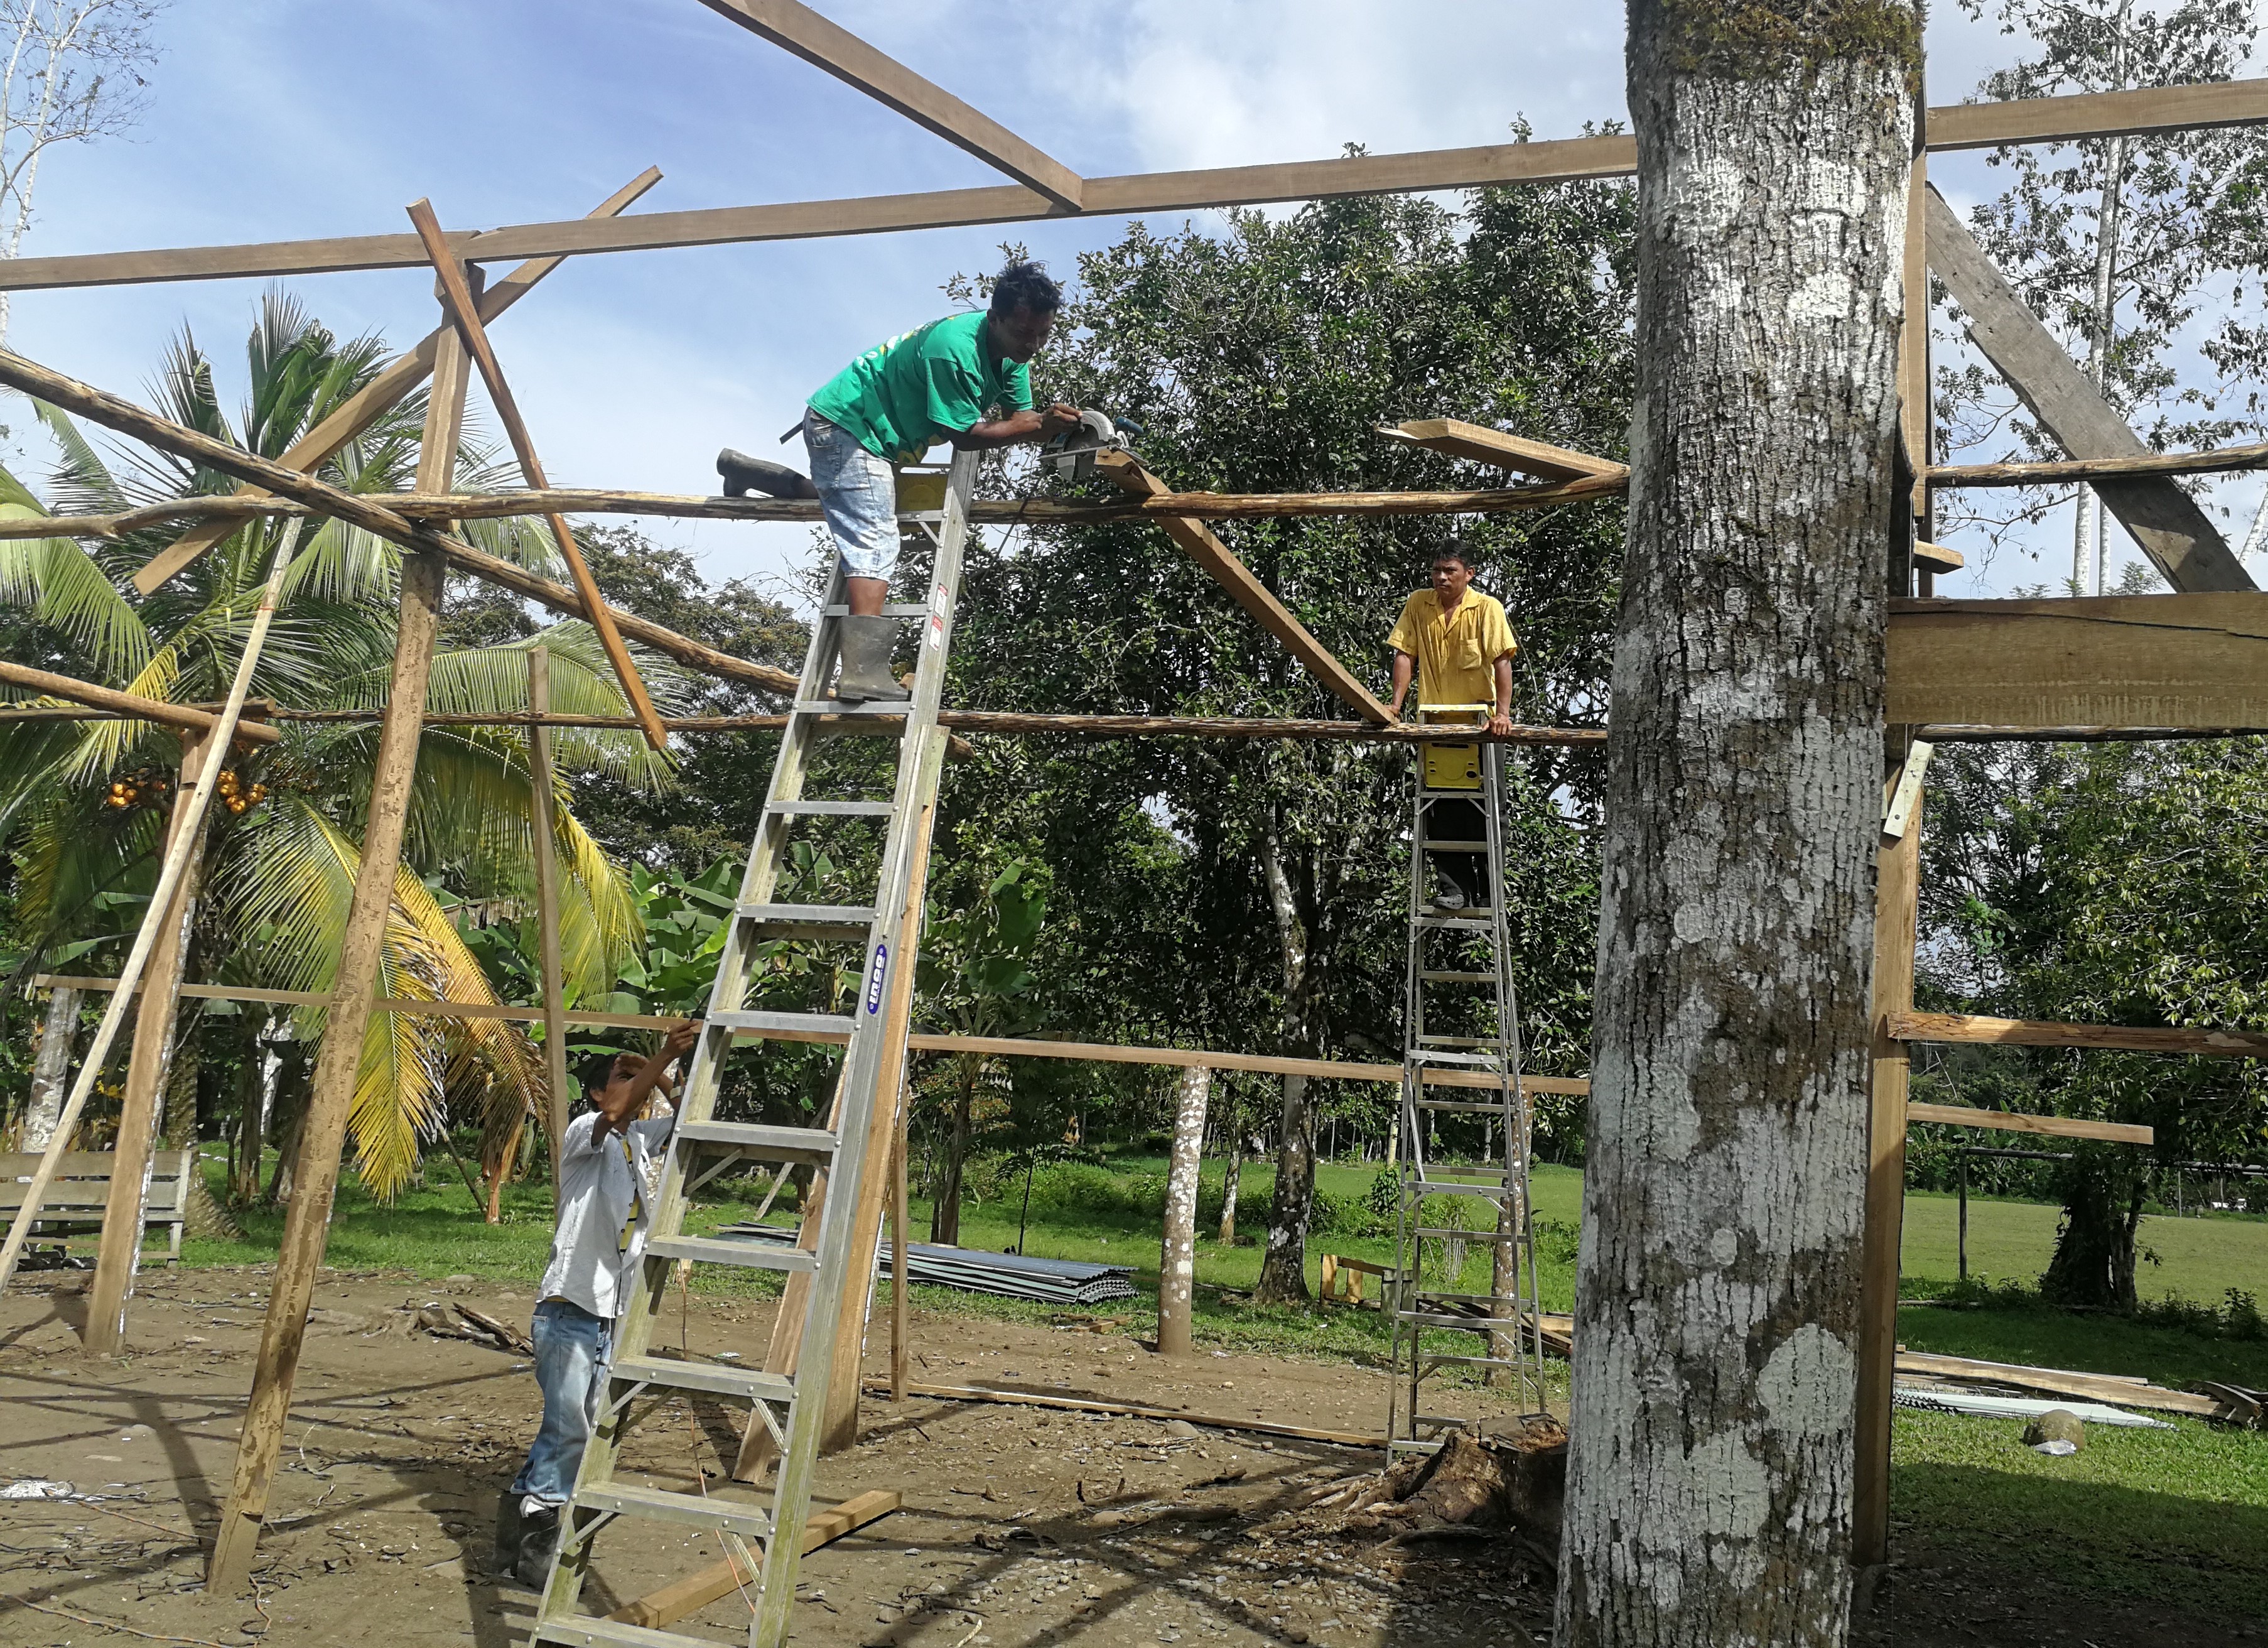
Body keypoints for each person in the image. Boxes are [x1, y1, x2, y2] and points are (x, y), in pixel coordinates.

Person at [715, 259, 1086, 703]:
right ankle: (861, 673)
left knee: (846, 498)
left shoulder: (1011, 354)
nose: (1035, 345)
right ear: (996, 317)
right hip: (849, 425)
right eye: (1026, 334)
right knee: (873, 535)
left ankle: (743, 469)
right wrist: (1038, 427)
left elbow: (1021, 419)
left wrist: (1057, 429)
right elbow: (965, 436)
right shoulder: (954, 350)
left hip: (877, 435)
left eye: (1044, 334)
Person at [497, 1019, 701, 1588]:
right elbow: (614, 1113)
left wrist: (661, 1076)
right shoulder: (586, 1130)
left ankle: (515, 1531)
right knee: (572, 1430)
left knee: (565, 1424)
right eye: (621, 1078)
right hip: (570, 1306)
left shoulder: (640, 1141)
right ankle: (542, 1543)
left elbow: (691, 1124)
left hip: (610, 1312)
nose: (635, 1084)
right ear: (595, 1091)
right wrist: (661, 1054)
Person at [1385, 543, 1518, 911]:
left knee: (1491, 807)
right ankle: (1454, 890)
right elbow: (1404, 655)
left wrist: (1502, 714)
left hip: (1481, 725)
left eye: (1450, 571)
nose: (1441, 578)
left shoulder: (1487, 608)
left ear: (1469, 574)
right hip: (1436, 722)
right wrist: (1395, 706)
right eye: (1436, 571)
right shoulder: (1419, 604)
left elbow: (1502, 662)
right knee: (1440, 807)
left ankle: (1491, 891)